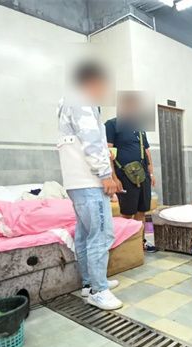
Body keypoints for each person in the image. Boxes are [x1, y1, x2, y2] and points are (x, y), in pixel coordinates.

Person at [57, 61, 122, 310]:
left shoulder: (68, 100)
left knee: (85, 234)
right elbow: (92, 143)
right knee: (101, 234)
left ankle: (89, 283)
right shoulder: (81, 100)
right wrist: (106, 175)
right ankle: (99, 290)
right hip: (89, 181)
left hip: (76, 182)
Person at [105, 92, 157, 252]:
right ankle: (126, 246)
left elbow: (146, 151)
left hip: (143, 175)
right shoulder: (111, 125)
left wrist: (151, 173)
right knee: (128, 212)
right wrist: (114, 178)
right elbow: (108, 152)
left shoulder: (139, 128)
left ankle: (140, 243)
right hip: (125, 176)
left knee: (142, 210)